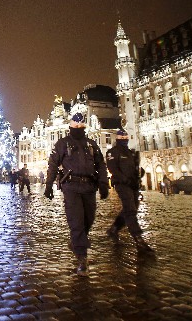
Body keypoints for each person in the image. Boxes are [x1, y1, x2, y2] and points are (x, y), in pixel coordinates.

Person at [44, 113, 109, 277]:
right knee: (77, 220)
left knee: (89, 218)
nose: (78, 128)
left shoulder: (91, 144)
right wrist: (49, 185)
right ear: (70, 127)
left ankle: (76, 242)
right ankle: (82, 258)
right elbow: (53, 164)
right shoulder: (62, 144)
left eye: (81, 126)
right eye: (76, 126)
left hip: (89, 186)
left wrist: (103, 183)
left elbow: (101, 164)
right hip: (71, 186)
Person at [105, 129, 154, 252]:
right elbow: (113, 169)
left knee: (132, 208)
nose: (124, 140)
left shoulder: (131, 153)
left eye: (126, 138)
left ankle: (114, 228)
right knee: (130, 210)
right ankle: (138, 238)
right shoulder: (112, 152)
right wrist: (125, 179)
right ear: (117, 139)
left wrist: (140, 174)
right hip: (122, 184)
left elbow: (136, 169)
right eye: (122, 138)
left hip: (133, 185)